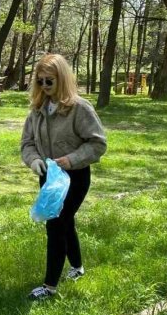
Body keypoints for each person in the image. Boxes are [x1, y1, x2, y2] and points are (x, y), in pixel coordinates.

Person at [20, 53, 107, 300]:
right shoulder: (37, 109)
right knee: (65, 222)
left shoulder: (79, 108)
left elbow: (98, 144)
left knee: (56, 224)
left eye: (50, 81)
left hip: (75, 177)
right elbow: (26, 143)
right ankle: (77, 268)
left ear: (63, 79)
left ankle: (49, 287)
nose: (45, 87)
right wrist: (34, 160)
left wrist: (71, 160)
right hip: (49, 178)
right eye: (40, 81)